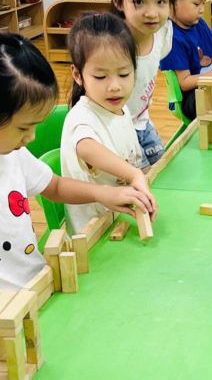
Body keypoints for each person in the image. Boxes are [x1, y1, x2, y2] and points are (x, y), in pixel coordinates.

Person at [0, 33, 151, 354]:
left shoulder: (9, 154)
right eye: (23, 128)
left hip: (36, 294)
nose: (31, 138)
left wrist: (103, 193)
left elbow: (54, 186)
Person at [60, 13, 158, 236]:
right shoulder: (81, 118)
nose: (114, 86)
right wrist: (134, 175)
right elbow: (87, 148)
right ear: (77, 74)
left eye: (124, 74)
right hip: (94, 234)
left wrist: (142, 175)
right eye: (101, 77)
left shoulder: (121, 109)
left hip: (122, 219)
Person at [110, 0, 176, 169]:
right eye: (139, 1)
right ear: (118, 1)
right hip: (113, 127)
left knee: (163, 171)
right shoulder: (111, 48)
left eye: (161, 1)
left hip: (140, 121)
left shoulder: (162, 33)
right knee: (143, 179)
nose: (152, 13)